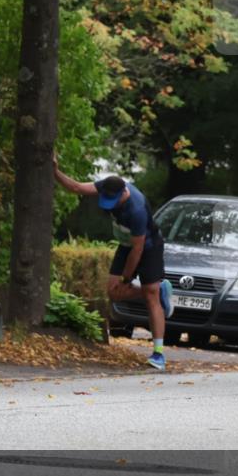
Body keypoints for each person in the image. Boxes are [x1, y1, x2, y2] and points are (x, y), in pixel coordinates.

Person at [53, 155, 174, 370]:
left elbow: (138, 251)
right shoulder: (108, 185)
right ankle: (159, 289)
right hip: (126, 244)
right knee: (114, 292)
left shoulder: (136, 210)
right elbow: (77, 188)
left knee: (150, 295)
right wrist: (55, 171)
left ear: (124, 193)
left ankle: (158, 354)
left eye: (113, 201)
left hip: (148, 247)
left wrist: (127, 279)